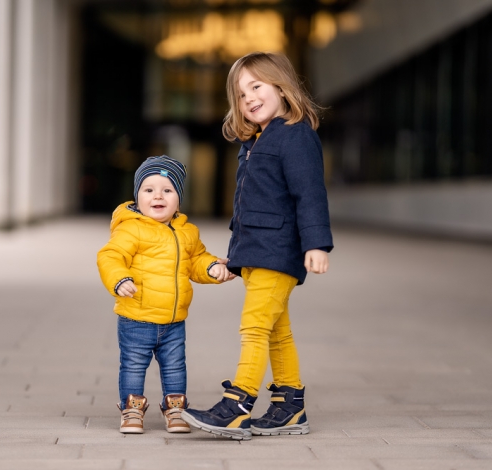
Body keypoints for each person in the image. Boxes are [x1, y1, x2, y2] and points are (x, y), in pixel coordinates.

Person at [181, 52, 334, 440]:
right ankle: (289, 406)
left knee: (253, 327)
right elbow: (248, 205)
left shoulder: (296, 134)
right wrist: (237, 256)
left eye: (256, 86)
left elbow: (309, 194)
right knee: (276, 330)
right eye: (240, 93)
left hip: (279, 250)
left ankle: (238, 404)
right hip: (258, 251)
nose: (248, 97)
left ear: (281, 87)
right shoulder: (255, 141)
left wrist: (316, 244)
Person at [97, 155, 234, 435]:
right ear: (137, 197)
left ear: (178, 200)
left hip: (174, 321)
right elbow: (110, 256)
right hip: (137, 316)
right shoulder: (131, 228)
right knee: (134, 365)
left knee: (175, 367)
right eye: (149, 190)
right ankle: (131, 409)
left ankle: (175, 409)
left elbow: (196, 261)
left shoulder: (187, 232)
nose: (157, 196)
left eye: (167, 190)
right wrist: (119, 279)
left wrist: (212, 267)